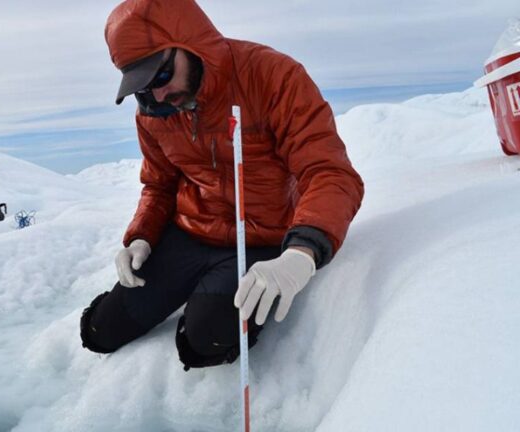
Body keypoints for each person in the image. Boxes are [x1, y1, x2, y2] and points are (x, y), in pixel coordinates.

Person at [80, 0, 364, 371]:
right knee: (100, 330)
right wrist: (141, 237)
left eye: (160, 77)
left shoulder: (272, 76)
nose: (158, 96)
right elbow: (159, 184)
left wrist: (302, 253)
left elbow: (330, 172)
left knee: (206, 339)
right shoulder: (153, 113)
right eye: (142, 86)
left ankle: (209, 305)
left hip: (264, 237)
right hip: (192, 232)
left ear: (190, 44)